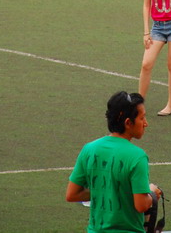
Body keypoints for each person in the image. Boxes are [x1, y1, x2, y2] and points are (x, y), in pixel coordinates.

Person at [66, 91, 161, 233]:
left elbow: (72, 195)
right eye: (142, 118)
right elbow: (141, 205)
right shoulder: (137, 156)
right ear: (128, 122)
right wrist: (152, 194)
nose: (146, 123)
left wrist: (108, 190)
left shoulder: (89, 149)